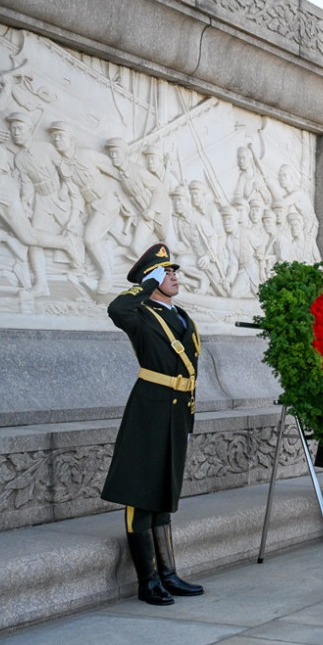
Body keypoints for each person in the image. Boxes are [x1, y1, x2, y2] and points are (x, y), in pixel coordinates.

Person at [101, 243, 204, 605]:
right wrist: (145, 285)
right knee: (140, 495)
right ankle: (148, 581)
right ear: (151, 279)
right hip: (149, 411)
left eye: (174, 272)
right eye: (166, 272)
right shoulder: (140, 314)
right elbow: (116, 309)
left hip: (176, 412)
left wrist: (188, 417)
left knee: (163, 495)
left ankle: (169, 575)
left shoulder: (183, 317)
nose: (173, 277)